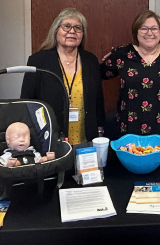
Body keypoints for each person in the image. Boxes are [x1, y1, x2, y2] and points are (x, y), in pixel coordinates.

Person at [20, 8, 105, 144]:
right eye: (66, 26)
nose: (72, 31)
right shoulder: (38, 61)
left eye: (78, 28)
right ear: (56, 30)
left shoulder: (90, 60)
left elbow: (98, 100)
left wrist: (100, 131)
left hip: (86, 139)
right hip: (49, 139)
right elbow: (27, 102)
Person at [101, 11, 160, 140]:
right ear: (135, 31)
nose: (149, 33)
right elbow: (96, 75)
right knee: (130, 160)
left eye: (154, 28)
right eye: (144, 28)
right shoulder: (122, 54)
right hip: (129, 127)